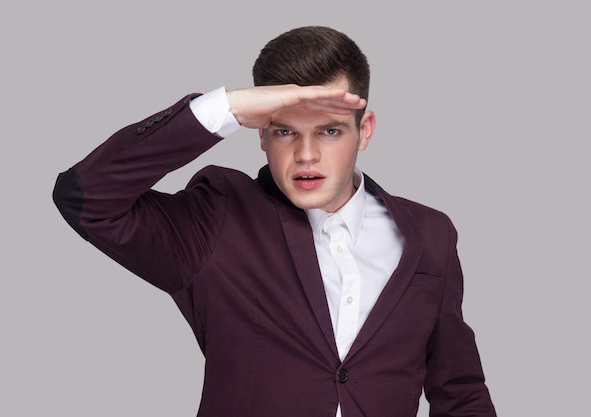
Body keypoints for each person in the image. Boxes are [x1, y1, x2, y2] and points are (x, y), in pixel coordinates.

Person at [53, 26, 497, 417]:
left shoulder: (429, 233)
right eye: (286, 130)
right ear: (260, 133)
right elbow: (87, 197)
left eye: (329, 130)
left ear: (364, 131)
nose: (306, 154)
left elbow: (459, 392)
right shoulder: (217, 219)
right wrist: (227, 107)